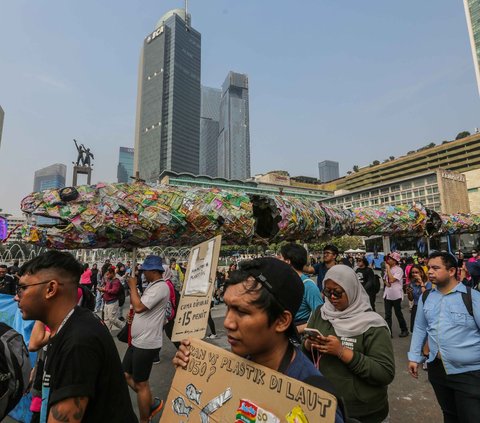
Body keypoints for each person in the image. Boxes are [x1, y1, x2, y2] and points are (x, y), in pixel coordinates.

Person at [173, 257, 345, 423]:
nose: (227, 322)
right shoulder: (230, 365)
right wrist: (191, 374)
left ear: (282, 321)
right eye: (228, 307)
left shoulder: (313, 398)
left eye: (241, 311)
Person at [14, 250, 137, 422]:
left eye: (22, 289)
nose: (15, 297)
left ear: (50, 289)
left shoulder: (79, 342)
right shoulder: (69, 325)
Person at [303, 265, 394, 423]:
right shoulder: (321, 312)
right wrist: (309, 345)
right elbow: (306, 353)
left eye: (337, 292)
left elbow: (384, 372)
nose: (332, 297)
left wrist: (341, 352)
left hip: (363, 412)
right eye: (327, 291)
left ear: (351, 289)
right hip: (324, 405)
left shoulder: (372, 324)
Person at [408, 252, 480, 423]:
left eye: (436, 268)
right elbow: (419, 328)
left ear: (452, 271)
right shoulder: (427, 297)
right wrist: (414, 357)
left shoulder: (471, 297)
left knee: (471, 417)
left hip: (469, 372)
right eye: (429, 267)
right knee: (449, 415)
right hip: (438, 370)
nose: (430, 272)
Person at [123, 255, 169, 423]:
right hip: (138, 341)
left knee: (141, 383)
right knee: (126, 374)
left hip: (146, 343)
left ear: (153, 271)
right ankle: (149, 402)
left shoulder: (161, 287)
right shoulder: (153, 286)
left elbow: (139, 306)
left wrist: (133, 286)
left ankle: (144, 419)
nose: (143, 274)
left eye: (144, 271)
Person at [279, 243, 323, 333]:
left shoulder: (308, 286)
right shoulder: (282, 282)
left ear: (287, 261)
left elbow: (320, 319)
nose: (278, 260)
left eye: (280, 257)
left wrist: (294, 330)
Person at [383, 252, 409, 337]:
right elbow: (386, 281)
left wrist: (388, 269)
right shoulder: (388, 269)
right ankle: (388, 331)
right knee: (387, 314)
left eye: (390, 259)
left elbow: (392, 279)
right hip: (387, 294)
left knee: (398, 313)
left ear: (395, 261)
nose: (388, 260)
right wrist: (385, 280)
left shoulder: (399, 269)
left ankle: (404, 330)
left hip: (396, 295)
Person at [405, 265, 431, 332]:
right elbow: (411, 299)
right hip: (416, 307)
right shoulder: (412, 284)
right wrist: (409, 293)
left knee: (425, 330)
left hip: (425, 308)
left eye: (416, 272)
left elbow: (426, 297)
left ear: (421, 273)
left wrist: (421, 283)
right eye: (413, 272)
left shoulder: (428, 283)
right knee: (415, 330)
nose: (414, 274)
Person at [98, 266, 124, 331]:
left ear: (112, 273)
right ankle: (107, 333)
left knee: (112, 319)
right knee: (106, 319)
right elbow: (107, 288)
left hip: (112, 302)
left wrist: (104, 290)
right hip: (107, 302)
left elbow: (114, 291)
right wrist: (102, 289)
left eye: (108, 274)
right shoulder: (109, 280)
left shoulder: (116, 281)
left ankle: (124, 328)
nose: (107, 276)